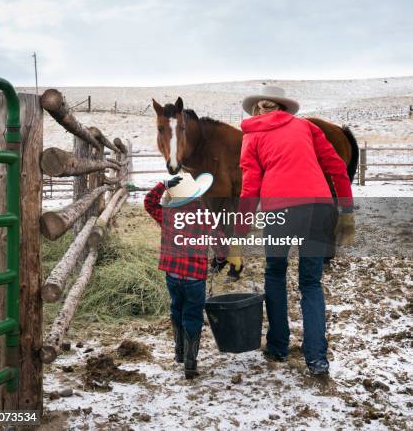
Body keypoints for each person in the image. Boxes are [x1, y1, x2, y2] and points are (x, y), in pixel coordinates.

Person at [238, 86, 355, 376]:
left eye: (260, 107)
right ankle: (317, 359)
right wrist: (347, 212)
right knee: (311, 283)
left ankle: (278, 345)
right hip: (318, 209)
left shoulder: (252, 136)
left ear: (259, 110)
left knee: (275, 272)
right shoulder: (305, 127)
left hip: (280, 212)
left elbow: (250, 188)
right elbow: (337, 168)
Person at [144, 172, 226, 379]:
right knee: (193, 316)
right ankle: (190, 362)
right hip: (195, 278)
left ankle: (179, 353)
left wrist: (162, 185)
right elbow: (221, 244)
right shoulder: (206, 218)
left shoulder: (168, 215)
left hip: (172, 274)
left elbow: (149, 203)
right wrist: (220, 259)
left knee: (176, 309)